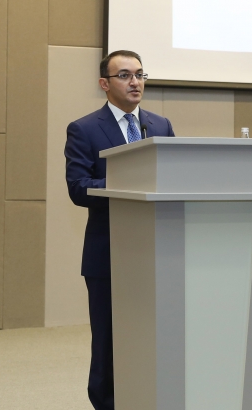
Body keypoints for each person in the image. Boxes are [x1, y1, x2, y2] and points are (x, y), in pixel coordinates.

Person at [64, 50, 175, 410]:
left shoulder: (161, 126)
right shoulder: (84, 129)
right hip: (109, 252)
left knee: (155, 335)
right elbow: (78, 188)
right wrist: (129, 181)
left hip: (157, 251)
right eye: (125, 75)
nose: (135, 82)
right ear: (104, 84)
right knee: (109, 341)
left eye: (140, 74)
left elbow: (172, 178)